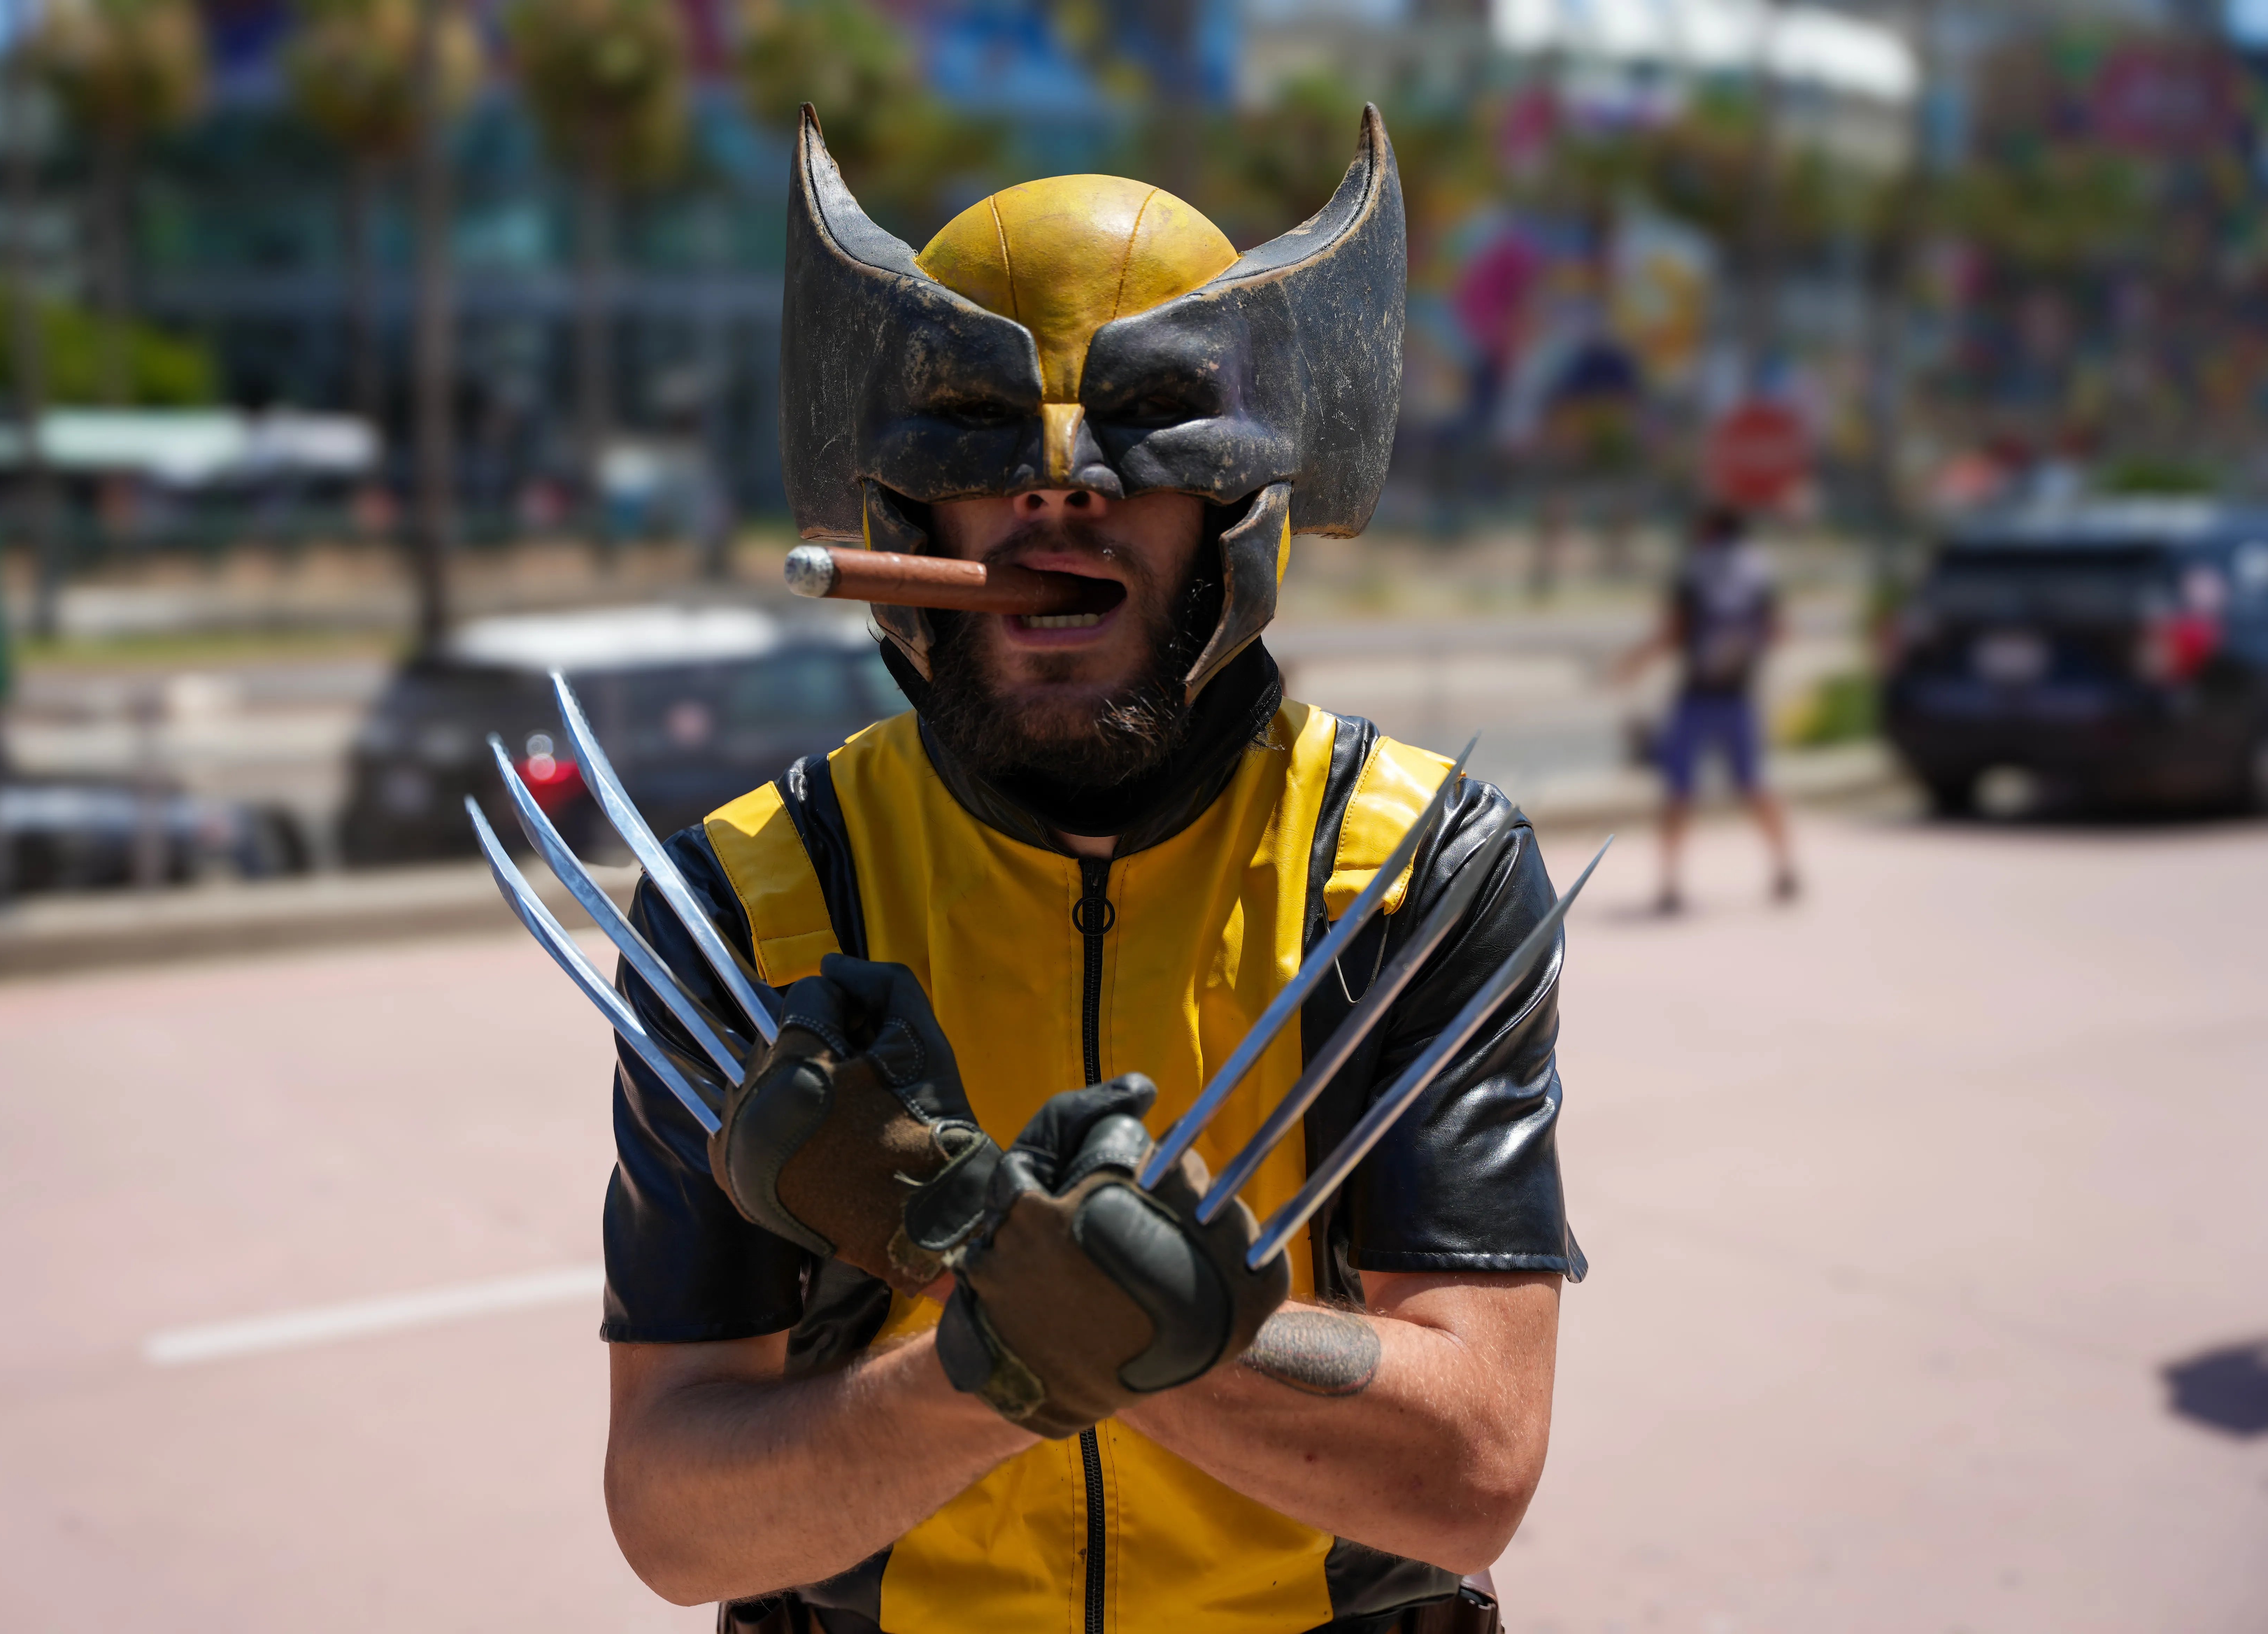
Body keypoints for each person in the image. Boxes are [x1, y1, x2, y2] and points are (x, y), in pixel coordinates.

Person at [599, 108, 1584, 1634]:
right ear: (908, 510)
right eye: (987, 449)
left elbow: (1472, 1469)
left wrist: (1163, 1329)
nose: (1059, 503)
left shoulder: (1411, 869)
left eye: (1141, 445)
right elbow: (675, 1519)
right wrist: (989, 1364)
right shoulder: (754, 899)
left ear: (1236, 508)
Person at [1614, 503, 1799, 913]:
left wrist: (1632, 663)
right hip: (1738, 696)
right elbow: (1778, 632)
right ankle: (1786, 868)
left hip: (1696, 697)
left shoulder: (1696, 570)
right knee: (1754, 784)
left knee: (1678, 792)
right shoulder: (1756, 570)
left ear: (1708, 529)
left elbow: (1673, 632)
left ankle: (1670, 884)